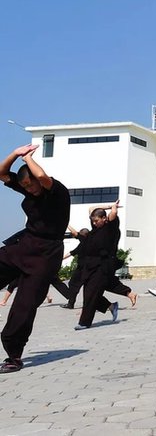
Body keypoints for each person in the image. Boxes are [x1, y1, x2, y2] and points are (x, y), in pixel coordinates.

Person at [0, 144, 71, 372]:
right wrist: (15, 154)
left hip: (46, 255)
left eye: (31, 185)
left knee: (24, 305)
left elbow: (40, 175)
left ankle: (13, 356)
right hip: (25, 245)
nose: (29, 190)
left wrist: (28, 158)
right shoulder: (29, 188)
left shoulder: (56, 191)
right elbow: (1, 174)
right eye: (25, 187)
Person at [75, 201, 125, 330]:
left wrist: (113, 207)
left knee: (92, 293)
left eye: (97, 220)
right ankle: (112, 307)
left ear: (104, 218)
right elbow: (91, 208)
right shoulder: (95, 230)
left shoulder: (110, 228)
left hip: (102, 266)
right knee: (88, 294)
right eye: (93, 221)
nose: (94, 223)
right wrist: (108, 205)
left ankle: (84, 322)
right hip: (90, 266)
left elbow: (113, 213)